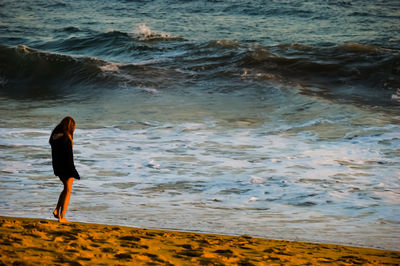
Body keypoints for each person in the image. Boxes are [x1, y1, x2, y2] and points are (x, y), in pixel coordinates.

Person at [49, 116, 80, 223]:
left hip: (57, 166)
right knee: (68, 190)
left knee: (65, 188)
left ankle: (57, 210)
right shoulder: (66, 138)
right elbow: (68, 156)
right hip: (66, 166)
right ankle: (62, 217)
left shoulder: (54, 136)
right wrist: (73, 170)